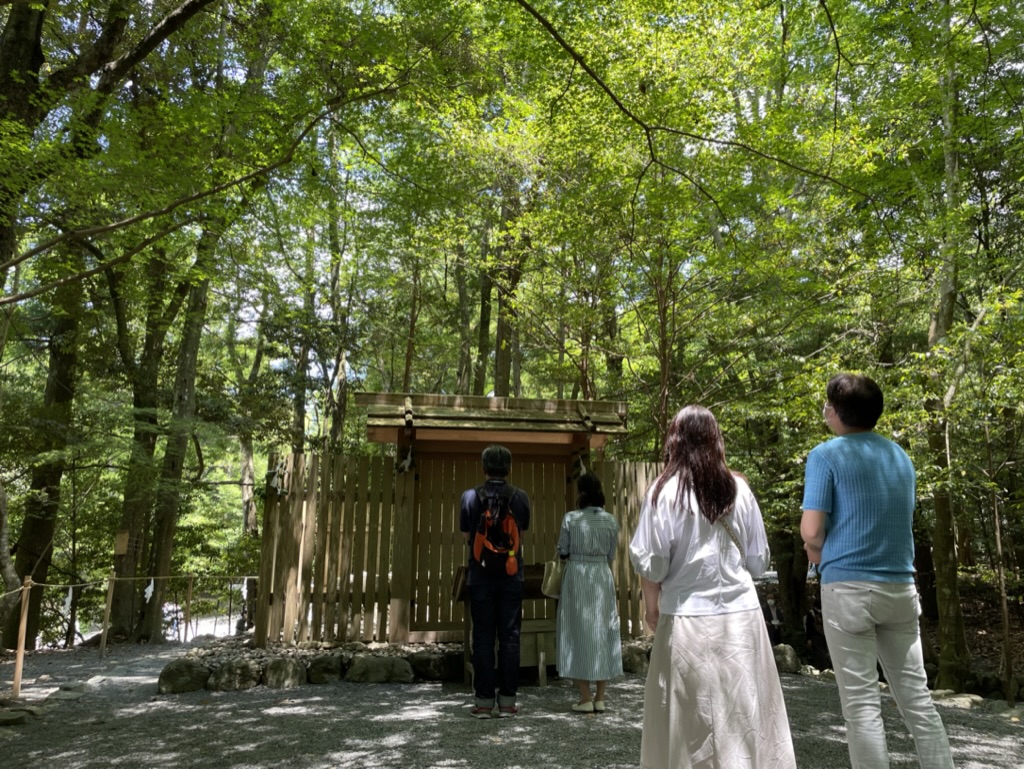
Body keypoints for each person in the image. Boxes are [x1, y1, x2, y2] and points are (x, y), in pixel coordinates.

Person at [800, 373, 954, 769]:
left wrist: (813, 550)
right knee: (917, 700)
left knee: (862, 706)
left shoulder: (825, 455)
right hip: (900, 587)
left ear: (835, 411)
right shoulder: (899, 456)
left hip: (848, 589)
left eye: (827, 405)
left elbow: (812, 530)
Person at [629, 405, 796, 769]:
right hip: (741, 619)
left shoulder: (664, 492)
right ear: (716, 440)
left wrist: (651, 608)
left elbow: (652, 564)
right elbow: (757, 562)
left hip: (684, 619)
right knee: (745, 714)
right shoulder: (739, 489)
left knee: (686, 721)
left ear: (674, 440)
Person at [459, 444, 531, 719]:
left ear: (483, 468)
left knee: (483, 637)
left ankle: (484, 703)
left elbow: (467, 536)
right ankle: (508, 702)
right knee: (510, 638)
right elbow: (520, 532)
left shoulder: (469, 497)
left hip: (480, 576)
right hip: (512, 575)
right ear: (509, 469)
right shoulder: (520, 497)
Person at [555, 472, 624, 713]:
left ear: (581, 493)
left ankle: (584, 697)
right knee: (603, 630)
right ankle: (601, 697)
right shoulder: (611, 521)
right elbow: (611, 554)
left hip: (577, 574)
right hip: (601, 575)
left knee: (578, 631)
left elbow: (562, 550)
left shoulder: (571, 518)